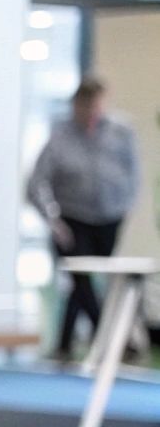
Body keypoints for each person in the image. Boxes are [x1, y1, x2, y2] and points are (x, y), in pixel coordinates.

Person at [26, 77, 141, 359]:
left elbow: (133, 174)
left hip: (108, 218)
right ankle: (113, 340)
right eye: (87, 104)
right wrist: (52, 219)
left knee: (81, 283)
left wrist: (125, 208)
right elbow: (35, 183)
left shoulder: (121, 133)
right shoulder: (60, 136)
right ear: (76, 104)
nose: (93, 111)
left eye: (97, 104)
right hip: (72, 220)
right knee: (81, 279)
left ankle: (64, 345)